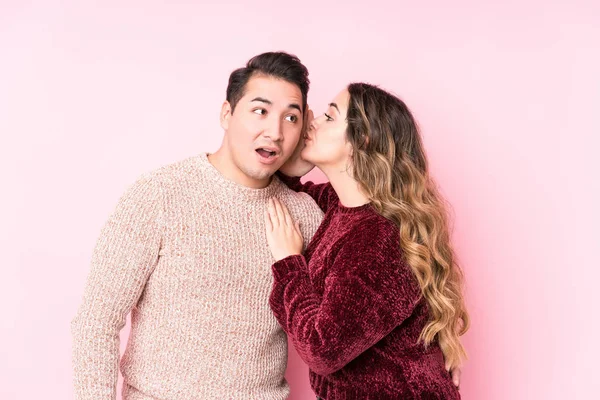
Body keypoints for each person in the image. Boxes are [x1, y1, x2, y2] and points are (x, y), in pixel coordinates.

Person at [71, 51, 324, 400]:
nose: (275, 132)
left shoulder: (304, 215)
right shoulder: (160, 194)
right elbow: (97, 321)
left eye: (291, 118)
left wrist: (316, 157)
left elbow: (332, 336)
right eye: (260, 111)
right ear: (227, 113)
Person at [265, 82, 469, 399]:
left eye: (329, 117)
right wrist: (296, 163)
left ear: (361, 141)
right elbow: (289, 193)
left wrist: (289, 265)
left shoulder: (379, 238)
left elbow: (323, 350)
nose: (313, 122)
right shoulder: (342, 206)